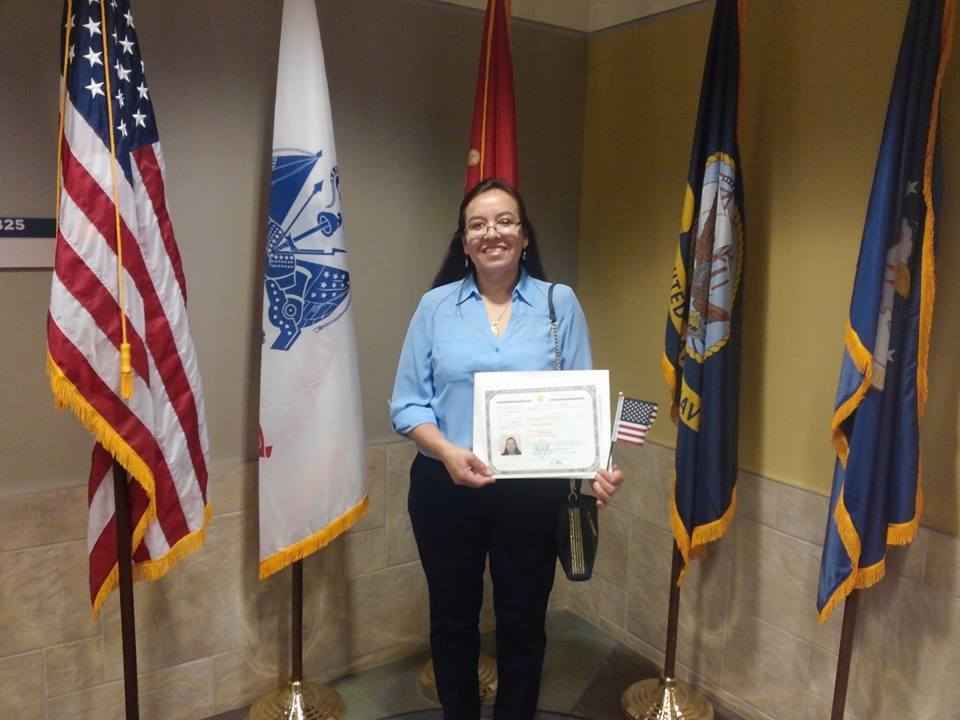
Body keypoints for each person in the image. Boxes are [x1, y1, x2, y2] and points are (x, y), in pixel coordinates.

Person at [390, 178, 624, 720]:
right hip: (445, 488)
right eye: (477, 224)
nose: (491, 232)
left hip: (532, 495)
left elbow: (581, 400)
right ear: (464, 240)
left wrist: (599, 469)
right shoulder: (435, 307)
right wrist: (448, 451)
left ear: (524, 235)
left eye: (504, 221)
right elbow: (406, 405)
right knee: (452, 622)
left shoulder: (556, 303)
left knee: (523, 623)